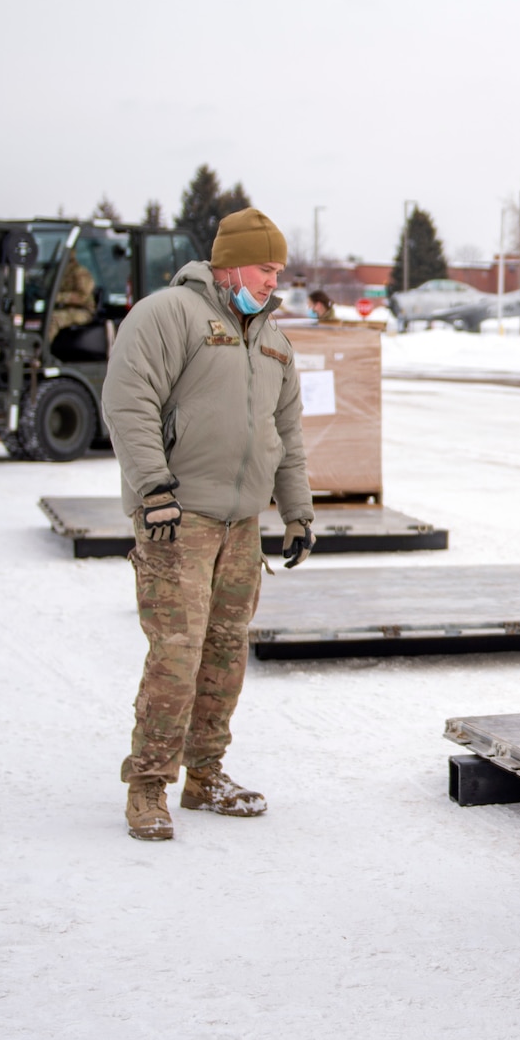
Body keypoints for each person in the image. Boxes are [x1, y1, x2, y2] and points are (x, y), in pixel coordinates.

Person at [101, 207, 317, 841]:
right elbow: (128, 399)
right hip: (178, 517)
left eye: (278, 270)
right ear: (228, 266)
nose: (273, 281)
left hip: (240, 524)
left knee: (224, 654)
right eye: (263, 268)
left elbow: (288, 433)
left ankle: (205, 775)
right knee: (176, 653)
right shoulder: (168, 315)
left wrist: (297, 510)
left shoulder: (274, 339)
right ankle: (147, 785)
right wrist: (153, 488)